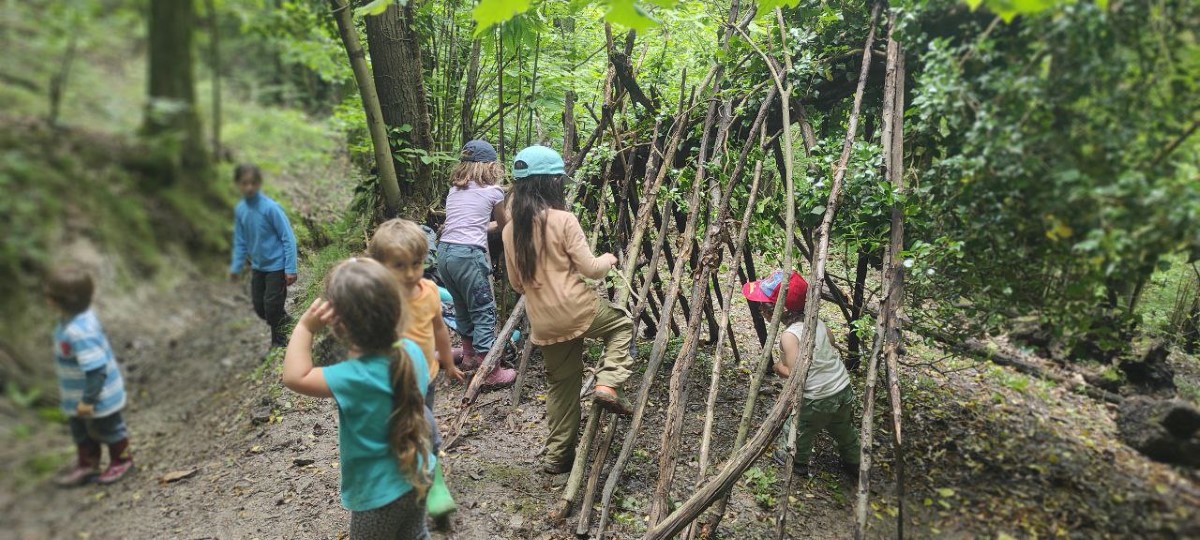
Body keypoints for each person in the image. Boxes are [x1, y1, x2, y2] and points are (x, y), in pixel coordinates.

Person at [501, 145, 636, 475]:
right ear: (552, 184)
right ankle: (607, 384)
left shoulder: (508, 231)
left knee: (561, 386)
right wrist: (609, 259)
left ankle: (557, 457)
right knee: (621, 325)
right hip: (578, 309)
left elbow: (517, 284)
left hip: (544, 322)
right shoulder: (563, 220)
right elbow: (591, 269)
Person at [281, 257, 434, 539]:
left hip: (379, 495)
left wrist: (305, 327)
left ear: (339, 326)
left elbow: (294, 376)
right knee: (415, 534)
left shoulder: (352, 376)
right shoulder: (412, 351)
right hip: (420, 472)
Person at [367, 218, 470, 523]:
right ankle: (419, 479)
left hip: (426, 375)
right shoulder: (379, 299)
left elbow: (439, 328)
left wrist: (448, 362)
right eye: (400, 266)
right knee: (410, 429)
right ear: (381, 266)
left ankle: (427, 477)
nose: (411, 272)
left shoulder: (429, 291)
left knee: (424, 426)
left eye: (417, 263)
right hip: (393, 380)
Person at [743, 269, 860, 478]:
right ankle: (854, 460)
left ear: (782, 309)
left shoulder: (790, 336)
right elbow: (831, 342)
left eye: (766, 307)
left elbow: (796, 372)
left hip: (815, 398)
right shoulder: (817, 323)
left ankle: (794, 461)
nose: (762, 310)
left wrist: (778, 367)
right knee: (843, 428)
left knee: (799, 429)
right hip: (842, 388)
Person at [47, 268, 133, 486]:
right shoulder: (70, 321)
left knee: (109, 429)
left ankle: (122, 460)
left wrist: (88, 401)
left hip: (97, 396)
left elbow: (97, 370)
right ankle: (87, 464)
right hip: (77, 397)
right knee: (81, 432)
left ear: (58, 301)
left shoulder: (80, 332)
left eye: (49, 295)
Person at [437, 140, 513, 380]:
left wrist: (485, 226)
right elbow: (503, 225)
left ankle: (469, 355)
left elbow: (471, 223)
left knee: (462, 305)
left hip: (445, 253)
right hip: (468, 256)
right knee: (483, 309)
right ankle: (489, 367)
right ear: (490, 166)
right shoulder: (494, 191)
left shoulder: (454, 190)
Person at [229, 164, 298, 349]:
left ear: (259, 183)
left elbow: (288, 237)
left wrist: (291, 268)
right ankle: (292, 324)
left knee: (272, 307)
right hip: (258, 266)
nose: (249, 187)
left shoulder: (270, 208)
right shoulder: (241, 210)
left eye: (253, 183)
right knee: (261, 309)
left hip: (277, 266)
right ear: (238, 184)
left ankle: (278, 342)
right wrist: (236, 267)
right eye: (244, 183)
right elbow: (240, 239)